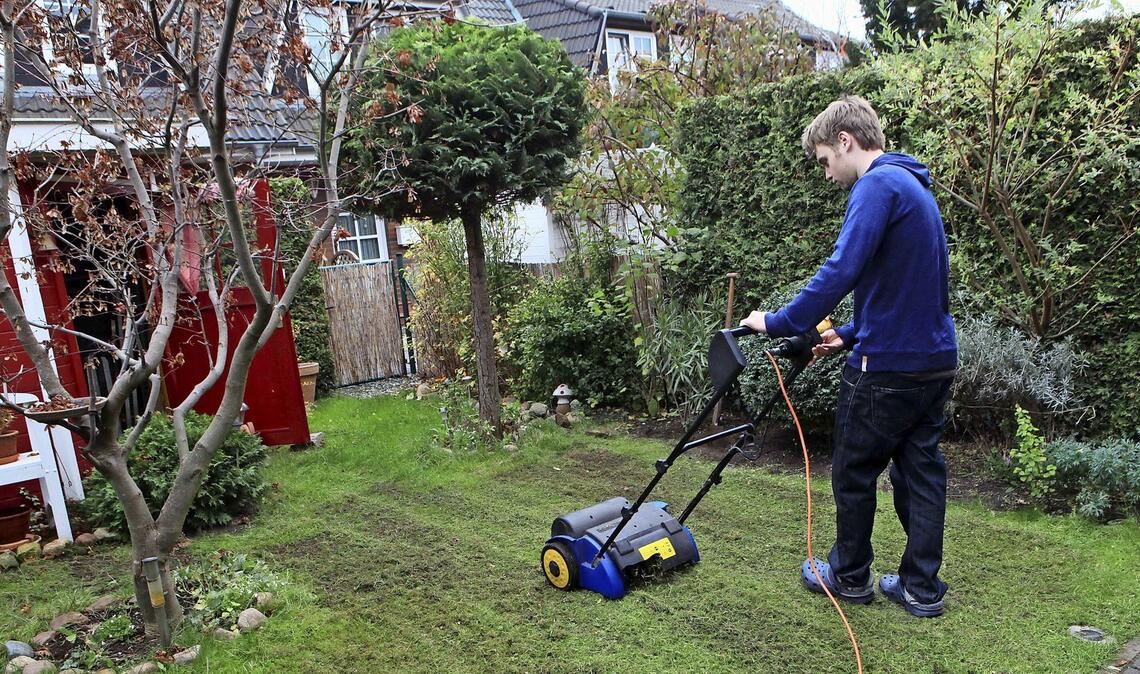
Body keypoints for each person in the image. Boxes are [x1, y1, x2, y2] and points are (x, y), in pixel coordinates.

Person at [740, 95, 957, 618]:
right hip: (934, 362)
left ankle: (849, 575)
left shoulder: (877, 185)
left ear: (845, 141)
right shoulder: (914, 187)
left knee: (854, 471)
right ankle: (920, 588)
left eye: (824, 160)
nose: (827, 173)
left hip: (886, 371)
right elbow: (912, 290)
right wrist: (853, 331)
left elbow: (841, 270)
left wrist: (778, 321)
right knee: (919, 473)